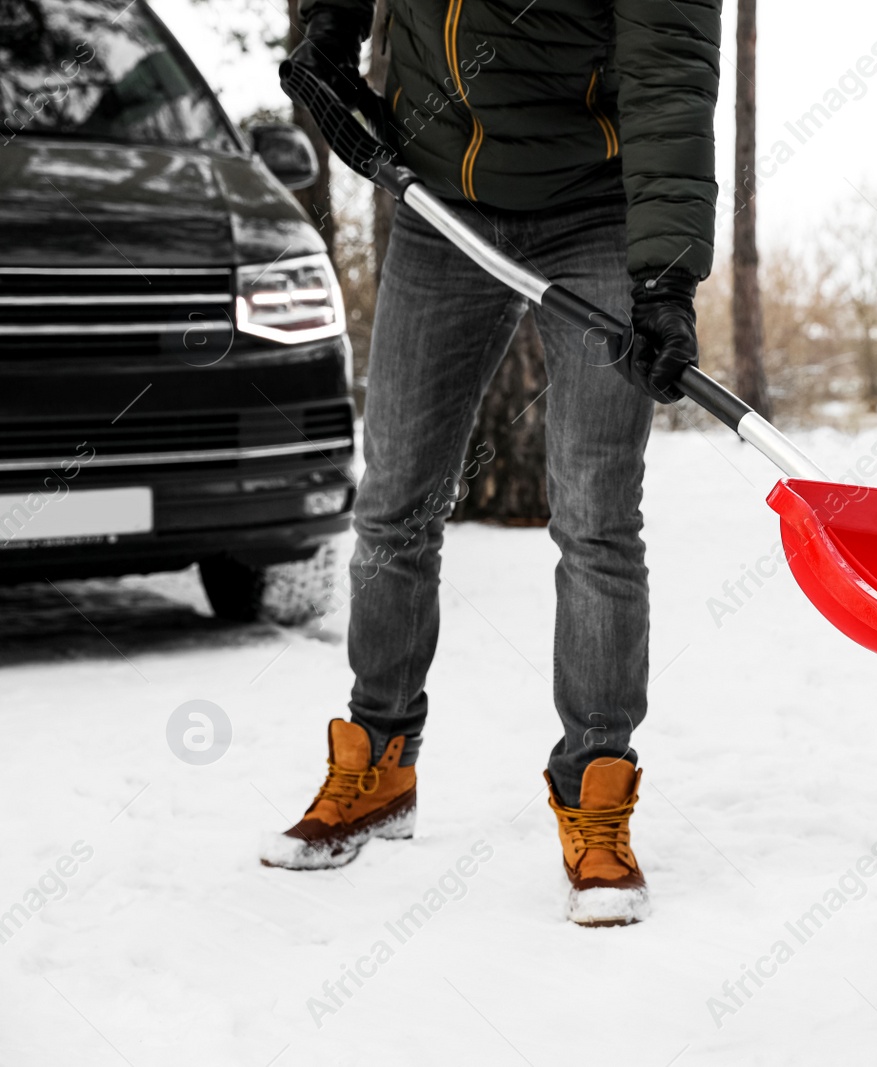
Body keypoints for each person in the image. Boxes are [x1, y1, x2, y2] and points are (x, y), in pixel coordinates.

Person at [258, 0, 722, 929]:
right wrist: (327, 28)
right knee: (394, 502)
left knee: (595, 517)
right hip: (438, 202)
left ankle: (596, 787)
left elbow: (669, 71)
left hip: (596, 212)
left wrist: (664, 278)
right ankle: (379, 762)